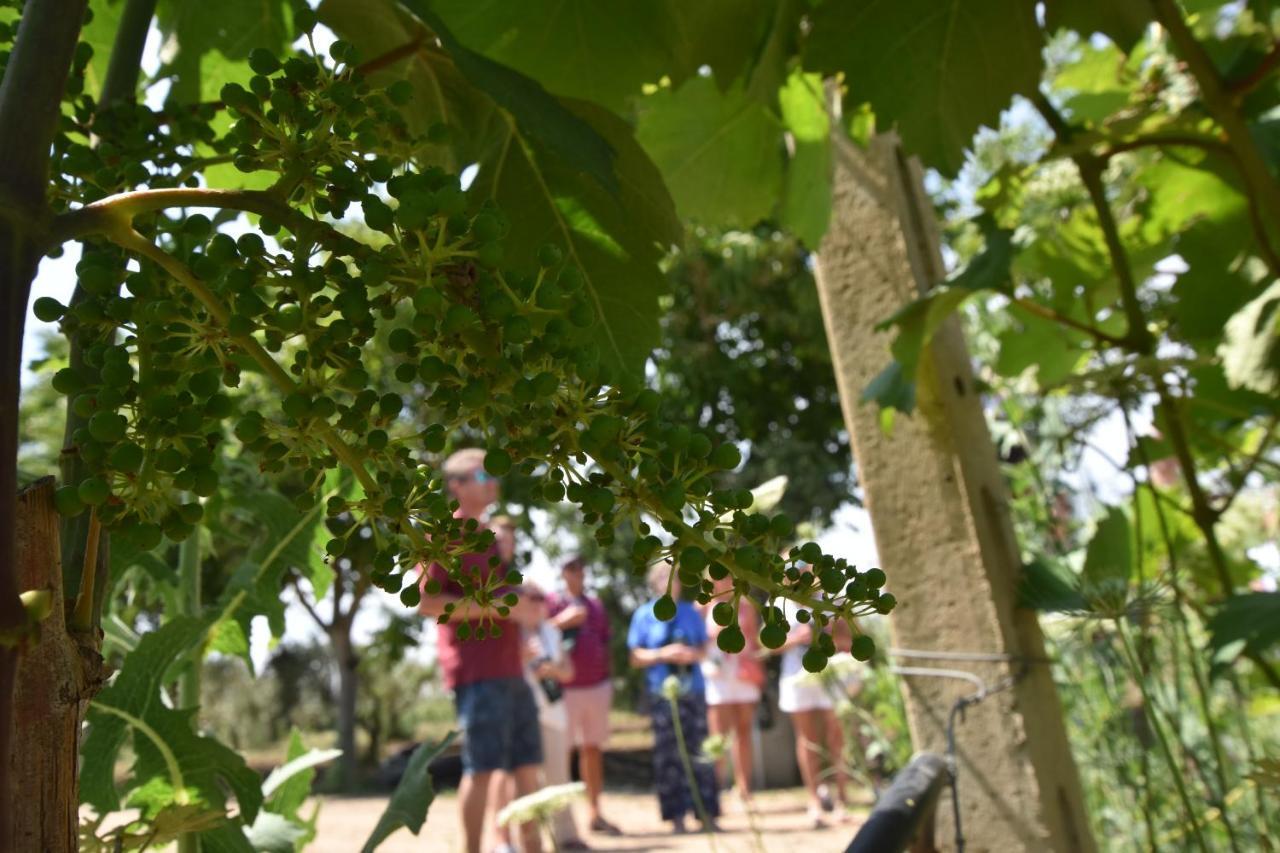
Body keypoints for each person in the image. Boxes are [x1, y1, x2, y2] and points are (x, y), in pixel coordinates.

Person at [418, 448, 545, 853]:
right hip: (478, 673)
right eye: (482, 473)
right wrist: (501, 606)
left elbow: (497, 599)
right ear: (455, 485)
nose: (494, 479)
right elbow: (428, 603)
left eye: (496, 472)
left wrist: (525, 604)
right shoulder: (443, 534)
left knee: (527, 766)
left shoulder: (489, 538)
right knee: (484, 768)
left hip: (511, 669)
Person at [491, 581, 587, 852]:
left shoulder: (551, 633)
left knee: (559, 777)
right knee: (521, 782)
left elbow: (569, 672)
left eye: (539, 598)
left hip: (553, 713)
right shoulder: (509, 632)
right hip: (519, 711)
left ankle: (566, 836)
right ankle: (521, 842)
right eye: (528, 598)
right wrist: (522, 659)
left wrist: (552, 670)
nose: (535, 604)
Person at [627, 562, 720, 833]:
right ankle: (675, 815)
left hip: (693, 689)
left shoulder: (691, 612)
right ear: (654, 583)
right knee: (668, 755)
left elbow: (703, 647)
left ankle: (706, 813)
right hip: (662, 693)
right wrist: (663, 654)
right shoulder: (643, 615)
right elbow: (634, 656)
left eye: (674, 579)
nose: (669, 584)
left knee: (700, 752)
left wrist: (692, 653)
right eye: (663, 579)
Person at [547, 556, 620, 837]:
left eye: (581, 567)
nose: (578, 573)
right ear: (563, 572)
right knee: (562, 752)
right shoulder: (553, 603)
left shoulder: (596, 605)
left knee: (592, 749)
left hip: (597, 687)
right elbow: (540, 633)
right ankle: (563, 820)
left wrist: (609, 679)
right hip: (565, 689)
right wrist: (564, 621)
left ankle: (594, 813)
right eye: (571, 568)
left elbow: (605, 642)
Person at [774, 593, 855, 828]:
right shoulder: (779, 603)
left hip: (831, 673)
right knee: (806, 739)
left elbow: (849, 639)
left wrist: (827, 634)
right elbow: (768, 645)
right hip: (796, 677)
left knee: (836, 735)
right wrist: (797, 639)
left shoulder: (830, 598)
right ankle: (815, 802)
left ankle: (842, 801)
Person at [698, 575, 764, 806]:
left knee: (743, 731)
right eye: (719, 578)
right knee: (718, 736)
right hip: (717, 675)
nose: (724, 582)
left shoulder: (746, 605)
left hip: (743, 671)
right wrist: (711, 636)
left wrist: (757, 669)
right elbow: (695, 639)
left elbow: (754, 640)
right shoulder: (703, 606)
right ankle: (714, 790)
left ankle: (743, 788)